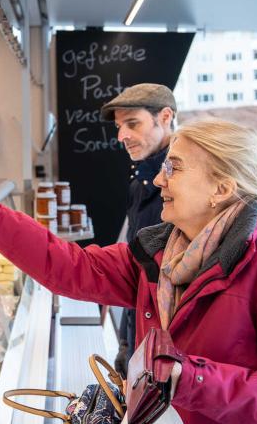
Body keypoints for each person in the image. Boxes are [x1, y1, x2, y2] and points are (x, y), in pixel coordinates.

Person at [0, 118, 257, 423]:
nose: (159, 179)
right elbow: (71, 267)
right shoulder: (158, 253)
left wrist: (187, 379)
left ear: (221, 189)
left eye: (174, 167)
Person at [99, 83, 176, 376]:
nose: (122, 136)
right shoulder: (140, 182)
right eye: (120, 127)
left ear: (165, 116)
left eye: (133, 123)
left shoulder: (185, 183)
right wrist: (126, 344)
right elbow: (138, 271)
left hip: (171, 353)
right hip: (141, 336)